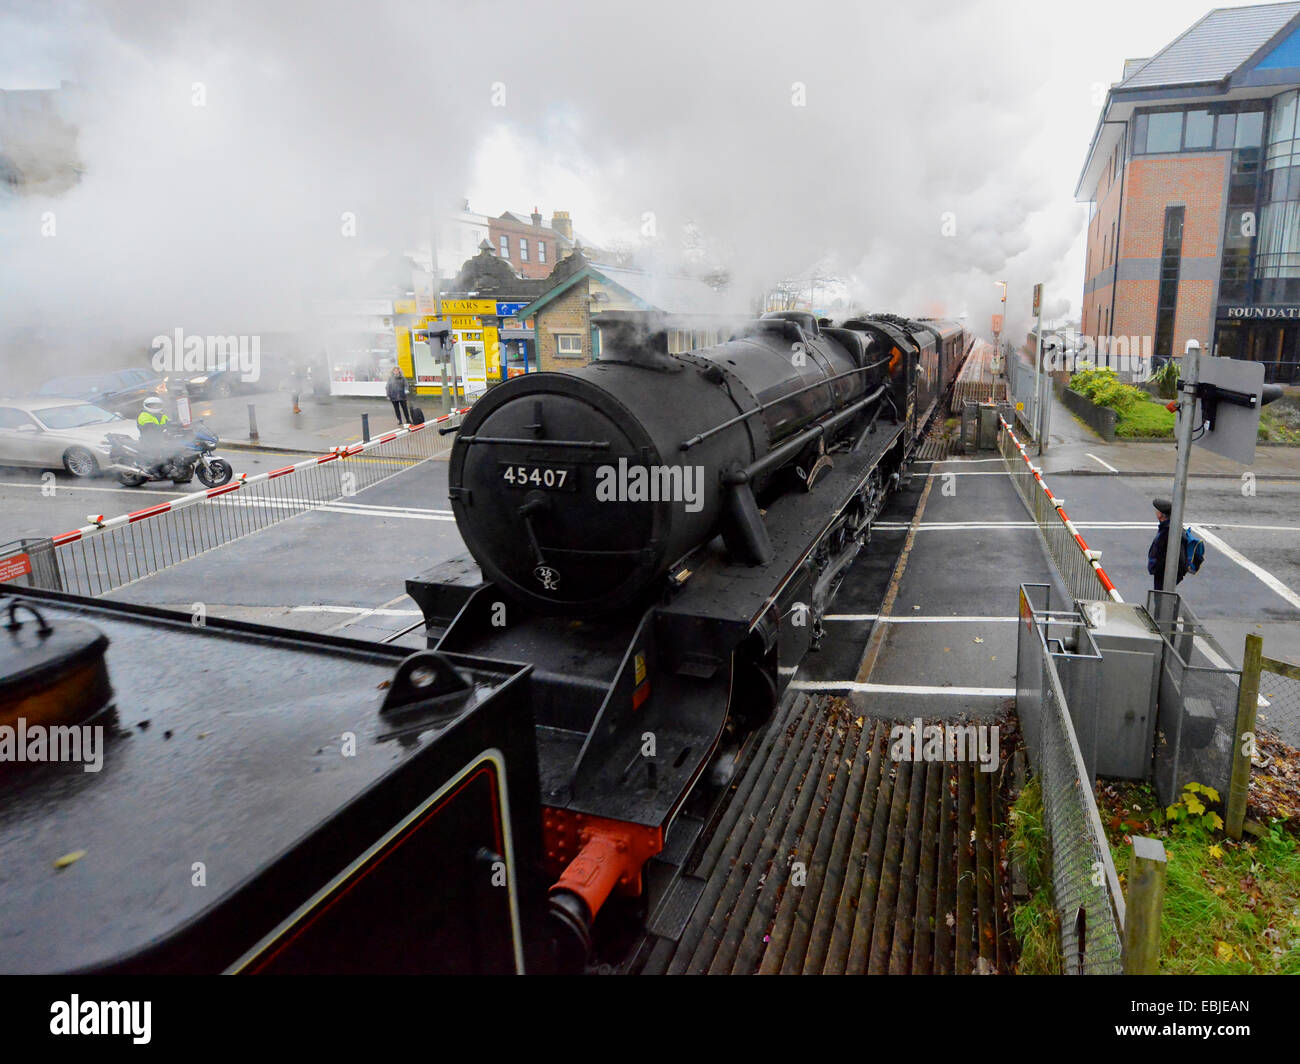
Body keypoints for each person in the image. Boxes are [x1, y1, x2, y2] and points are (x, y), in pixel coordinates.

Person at [1147, 496, 1189, 592]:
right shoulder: (1167, 528)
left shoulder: (1168, 532)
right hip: (1163, 573)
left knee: (1162, 598)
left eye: (1157, 511)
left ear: (1161, 515)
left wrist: (1156, 568)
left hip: (1164, 575)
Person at [136, 396, 171, 477]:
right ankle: (152, 471)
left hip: (161, 439)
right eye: (152, 406)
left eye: (156, 405)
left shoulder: (162, 415)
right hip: (149, 440)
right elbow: (151, 428)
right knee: (161, 455)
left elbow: (169, 424)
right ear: (146, 406)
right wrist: (165, 426)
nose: (154, 407)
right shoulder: (144, 415)